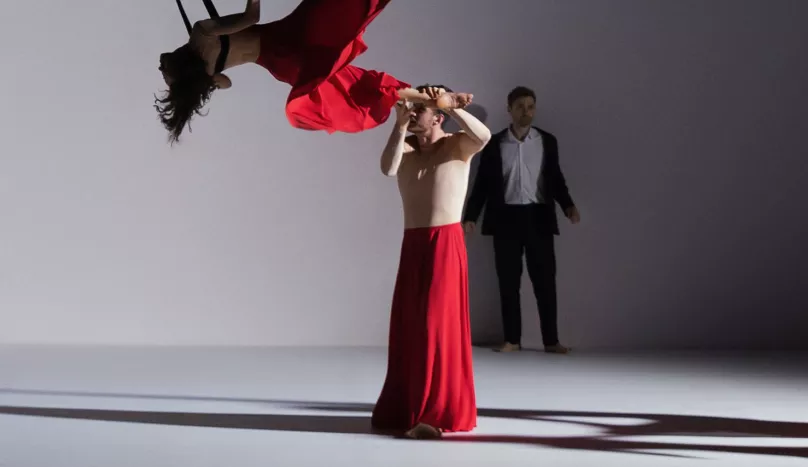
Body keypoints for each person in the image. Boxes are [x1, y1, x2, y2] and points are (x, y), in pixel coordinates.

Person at [369, 85, 492, 440]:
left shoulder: (456, 145)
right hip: (414, 245)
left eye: (417, 108)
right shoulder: (405, 149)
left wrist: (451, 106)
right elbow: (386, 168)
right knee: (410, 326)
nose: (409, 109)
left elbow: (482, 135)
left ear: (436, 116)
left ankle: (434, 414)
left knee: (435, 327)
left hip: (445, 244)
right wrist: (398, 125)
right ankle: (407, 407)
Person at [155, 0, 454, 142]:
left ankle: (421, 98)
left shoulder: (210, 76)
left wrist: (200, 81)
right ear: (178, 64)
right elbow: (252, 16)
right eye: (163, 69)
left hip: (283, 66)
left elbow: (227, 83)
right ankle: (424, 98)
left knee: (352, 84)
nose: (159, 64)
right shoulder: (202, 33)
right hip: (289, 39)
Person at [463, 86, 579, 354]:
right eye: (520, 107)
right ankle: (512, 339)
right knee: (508, 282)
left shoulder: (547, 141)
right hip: (505, 219)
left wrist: (568, 206)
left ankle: (551, 341)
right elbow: (481, 184)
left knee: (545, 282)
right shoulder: (493, 143)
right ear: (510, 110)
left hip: (538, 218)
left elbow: (556, 179)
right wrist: (471, 216)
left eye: (530, 106)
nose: (526, 112)